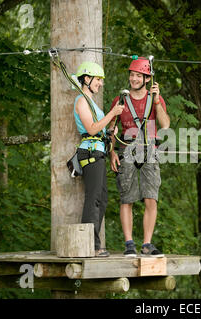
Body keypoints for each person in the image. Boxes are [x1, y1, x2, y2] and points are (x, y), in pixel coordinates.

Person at [109, 57, 170, 258]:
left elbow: (165, 125)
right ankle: (129, 244)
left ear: (146, 78)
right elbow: (112, 130)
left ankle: (146, 244)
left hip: (149, 149)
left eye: (138, 76)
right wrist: (111, 153)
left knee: (151, 198)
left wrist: (158, 101)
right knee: (127, 198)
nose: (133, 79)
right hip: (126, 149)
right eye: (132, 75)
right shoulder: (120, 100)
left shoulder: (154, 99)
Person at [73, 61, 124, 257]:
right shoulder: (81, 101)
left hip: (99, 151)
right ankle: (91, 245)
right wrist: (112, 113)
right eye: (98, 80)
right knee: (93, 198)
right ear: (87, 79)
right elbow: (91, 128)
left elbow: (98, 128)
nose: (100, 84)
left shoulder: (92, 103)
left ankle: (93, 242)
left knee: (102, 199)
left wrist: (109, 130)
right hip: (90, 152)